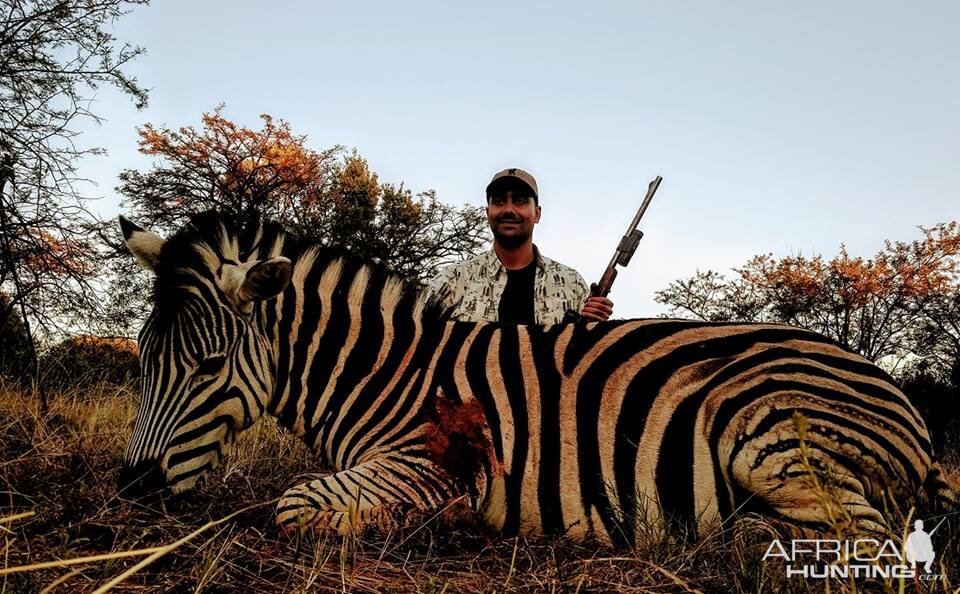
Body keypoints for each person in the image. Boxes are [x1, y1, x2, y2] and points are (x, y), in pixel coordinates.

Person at [426, 167, 614, 324]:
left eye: (520, 201)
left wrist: (594, 325)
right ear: (487, 212)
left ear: (537, 214)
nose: (508, 209)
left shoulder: (572, 284)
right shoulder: (452, 281)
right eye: (499, 201)